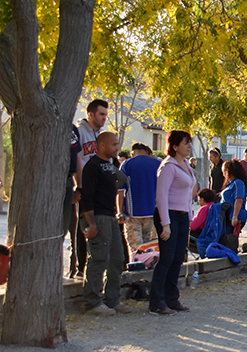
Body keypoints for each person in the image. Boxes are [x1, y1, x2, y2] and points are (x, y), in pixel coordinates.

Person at [80, 131, 131, 316]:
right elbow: (87, 196)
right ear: (101, 145)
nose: (117, 148)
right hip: (98, 216)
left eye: (117, 144)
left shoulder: (111, 165)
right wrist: (91, 223)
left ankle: (112, 299)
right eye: (113, 145)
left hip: (110, 216)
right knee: (99, 258)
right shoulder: (92, 166)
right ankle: (92, 302)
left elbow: (121, 183)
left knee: (117, 259)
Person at [150, 130, 197, 316]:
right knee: (167, 258)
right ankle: (157, 302)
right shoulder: (168, 166)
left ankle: (171, 298)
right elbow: (161, 196)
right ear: (175, 146)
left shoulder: (185, 164)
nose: (189, 146)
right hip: (167, 215)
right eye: (186, 143)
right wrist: (165, 223)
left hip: (182, 215)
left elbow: (187, 194)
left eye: (189, 143)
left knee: (178, 258)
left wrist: (189, 218)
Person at [73, 99, 109, 280]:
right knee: (85, 226)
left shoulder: (101, 135)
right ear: (90, 114)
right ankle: (80, 268)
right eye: (101, 114)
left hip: (101, 188)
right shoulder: (79, 132)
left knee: (100, 226)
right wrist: (78, 185)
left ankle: (98, 268)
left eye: (106, 115)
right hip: (86, 187)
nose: (104, 118)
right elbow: (77, 160)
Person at [117, 142, 161, 255]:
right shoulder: (158, 164)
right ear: (147, 152)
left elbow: (120, 191)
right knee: (150, 247)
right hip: (154, 212)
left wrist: (120, 212)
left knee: (136, 249)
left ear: (132, 153)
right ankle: (149, 270)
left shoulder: (126, 164)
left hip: (133, 213)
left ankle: (137, 268)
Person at [65, 124, 81, 278]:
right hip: (52, 179)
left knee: (71, 229)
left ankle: (73, 268)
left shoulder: (73, 130)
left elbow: (77, 158)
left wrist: (79, 186)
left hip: (69, 181)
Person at [221, 160, 247, 247]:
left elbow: (239, 199)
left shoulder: (238, 183)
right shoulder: (230, 184)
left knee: (230, 240)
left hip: (235, 216)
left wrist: (234, 216)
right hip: (227, 216)